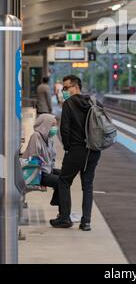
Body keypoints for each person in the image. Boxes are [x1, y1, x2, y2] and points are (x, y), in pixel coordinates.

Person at [50, 75, 101, 231]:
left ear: (76, 87)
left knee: (64, 181)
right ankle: (86, 222)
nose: (63, 91)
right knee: (87, 185)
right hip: (93, 150)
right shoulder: (93, 102)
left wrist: (67, 147)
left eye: (66, 88)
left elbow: (64, 129)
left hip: (76, 150)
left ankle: (65, 218)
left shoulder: (69, 104)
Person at [22, 114, 60, 210]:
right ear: (45, 124)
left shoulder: (49, 138)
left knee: (66, 175)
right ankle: (63, 211)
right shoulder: (36, 136)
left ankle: (59, 205)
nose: (55, 128)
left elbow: (52, 157)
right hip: (38, 172)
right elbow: (34, 159)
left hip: (47, 169)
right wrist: (41, 181)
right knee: (61, 182)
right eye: (53, 125)